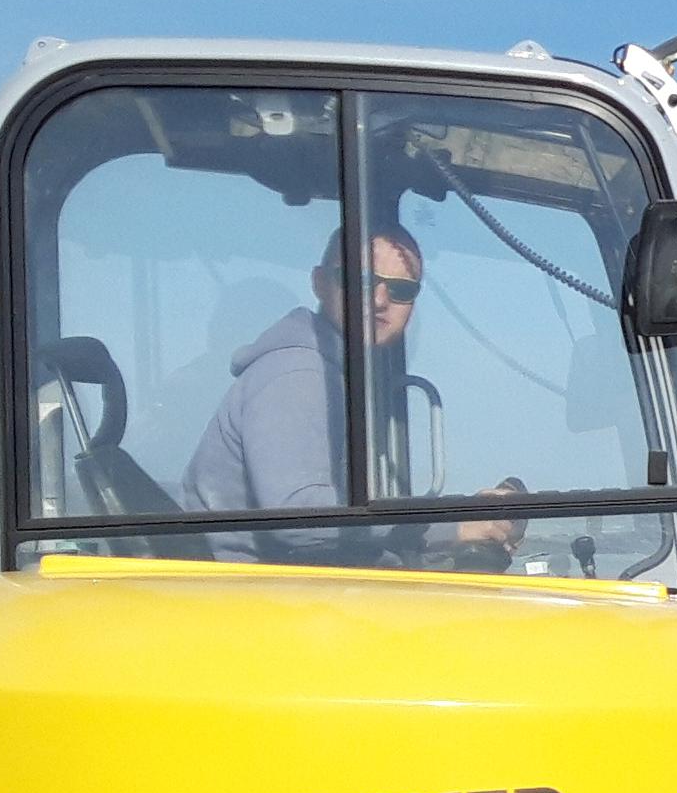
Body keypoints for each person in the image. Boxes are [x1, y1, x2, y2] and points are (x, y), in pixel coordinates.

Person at [185, 221, 517, 561]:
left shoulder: (344, 378)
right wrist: (451, 527)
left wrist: (462, 520)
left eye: (401, 290)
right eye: (360, 281)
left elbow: (353, 538)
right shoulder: (298, 374)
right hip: (252, 598)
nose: (378, 300)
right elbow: (303, 524)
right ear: (319, 283)